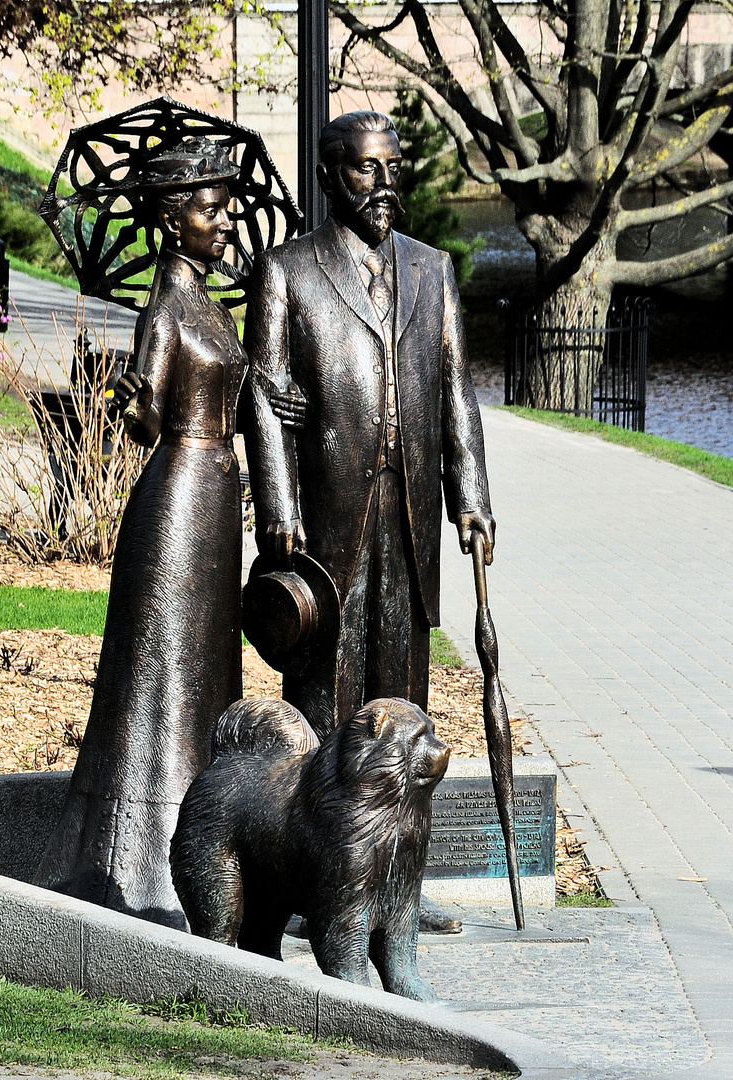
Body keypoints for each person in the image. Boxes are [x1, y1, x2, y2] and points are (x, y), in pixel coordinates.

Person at [244, 112, 494, 930]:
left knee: (403, 701)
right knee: (324, 699)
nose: (384, 183)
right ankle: (316, 884)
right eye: (364, 170)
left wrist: (473, 498)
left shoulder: (432, 271)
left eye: (393, 168)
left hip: (413, 518)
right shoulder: (288, 272)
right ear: (328, 176)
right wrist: (278, 509)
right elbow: (265, 400)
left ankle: (393, 890)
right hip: (326, 521)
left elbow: (456, 392)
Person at [35, 139, 247, 930]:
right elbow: (145, 414)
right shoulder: (166, 304)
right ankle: (144, 862)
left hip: (215, 504)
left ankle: (210, 853)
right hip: (180, 502)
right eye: (208, 207)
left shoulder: (210, 302)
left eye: (225, 206)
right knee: (164, 673)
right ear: (169, 220)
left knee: (204, 671)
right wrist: (133, 402)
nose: (222, 222)